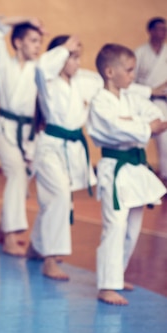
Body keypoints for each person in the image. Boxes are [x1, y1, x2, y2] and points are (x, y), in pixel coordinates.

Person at [87, 43, 167, 306]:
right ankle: (106, 286)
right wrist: (145, 127)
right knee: (115, 226)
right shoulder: (100, 102)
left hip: (135, 169)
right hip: (115, 169)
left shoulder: (131, 98)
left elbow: (156, 115)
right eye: (129, 70)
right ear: (110, 71)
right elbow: (115, 127)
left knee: (132, 228)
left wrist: (143, 124)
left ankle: (117, 275)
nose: (133, 76)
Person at [28, 35, 100, 280]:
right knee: (58, 195)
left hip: (72, 148)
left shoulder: (85, 81)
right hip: (50, 148)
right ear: (59, 58)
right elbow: (41, 66)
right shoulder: (48, 81)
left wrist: (151, 91)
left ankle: (36, 246)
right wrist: (64, 48)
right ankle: (50, 259)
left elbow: (115, 85)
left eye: (79, 57)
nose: (77, 63)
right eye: (72, 57)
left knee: (55, 199)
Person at [0, 15, 43, 256]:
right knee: (16, 174)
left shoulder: (40, 70)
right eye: (33, 40)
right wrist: (27, 19)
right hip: (4, 128)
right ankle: (12, 235)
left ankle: (3, 227)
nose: (38, 46)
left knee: (22, 179)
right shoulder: (3, 63)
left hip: (29, 132)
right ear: (18, 42)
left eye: (40, 41)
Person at [135, 17, 167, 180]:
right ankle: (139, 175)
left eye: (165, 29)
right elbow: (131, 81)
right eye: (160, 29)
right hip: (143, 101)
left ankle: (166, 176)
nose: (163, 33)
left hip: (163, 103)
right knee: (141, 140)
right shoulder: (140, 53)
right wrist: (150, 91)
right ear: (151, 31)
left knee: (165, 142)